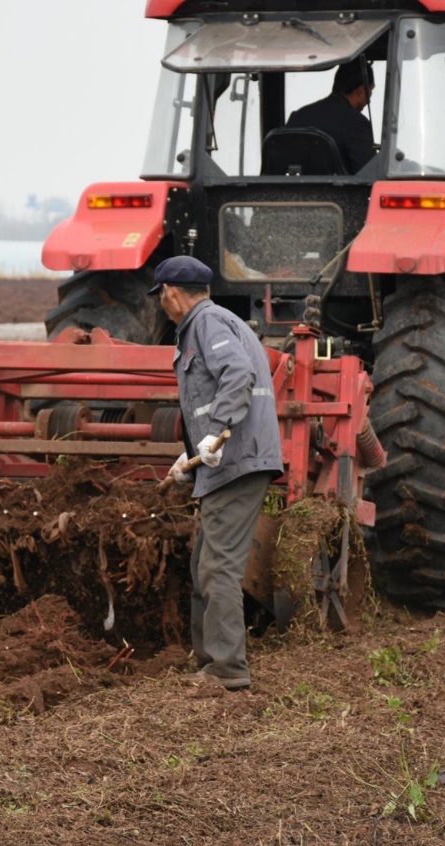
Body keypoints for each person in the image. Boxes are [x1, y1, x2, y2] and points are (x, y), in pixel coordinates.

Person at [149, 255, 284, 691]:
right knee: (203, 563)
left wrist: (217, 432)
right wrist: (191, 455)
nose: (161, 304)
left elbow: (237, 374)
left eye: (161, 296)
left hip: (238, 461)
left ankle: (227, 670)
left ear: (170, 293)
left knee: (218, 566)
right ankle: (209, 663)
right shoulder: (210, 324)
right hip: (226, 461)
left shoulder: (207, 323)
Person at [285, 57, 377, 175]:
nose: (370, 98)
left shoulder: (297, 117)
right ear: (361, 91)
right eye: (371, 90)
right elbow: (368, 175)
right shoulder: (357, 124)